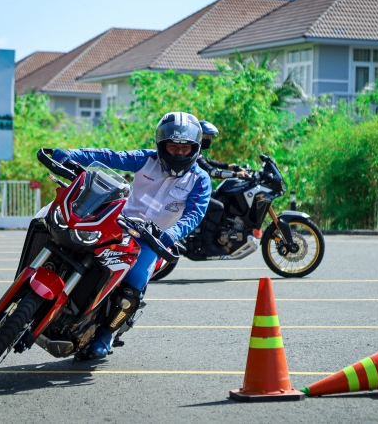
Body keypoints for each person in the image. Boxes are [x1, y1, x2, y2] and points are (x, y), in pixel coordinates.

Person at [52, 111, 211, 358]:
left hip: (153, 241)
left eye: (185, 147)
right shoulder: (145, 159)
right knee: (74, 247)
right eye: (172, 146)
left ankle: (106, 334)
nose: (179, 152)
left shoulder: (200, 179)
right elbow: (109, 156)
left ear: (195, 148)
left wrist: (173, 233)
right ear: (161, 145)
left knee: (133, 285)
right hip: (117, 224)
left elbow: (195, 214)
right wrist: (73, 154)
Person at [196, 120, 249, 256]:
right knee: (218, 207)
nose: (210, 139)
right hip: (192, 195)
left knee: (219, 197)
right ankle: (207, 244)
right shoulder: (193, 154)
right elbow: (211, 171)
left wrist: (229, 166)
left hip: (196, 192)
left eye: (210, 137)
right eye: (207, 137)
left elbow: (209, 162)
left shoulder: (197, 152)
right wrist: (235, 174)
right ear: (198, 136)